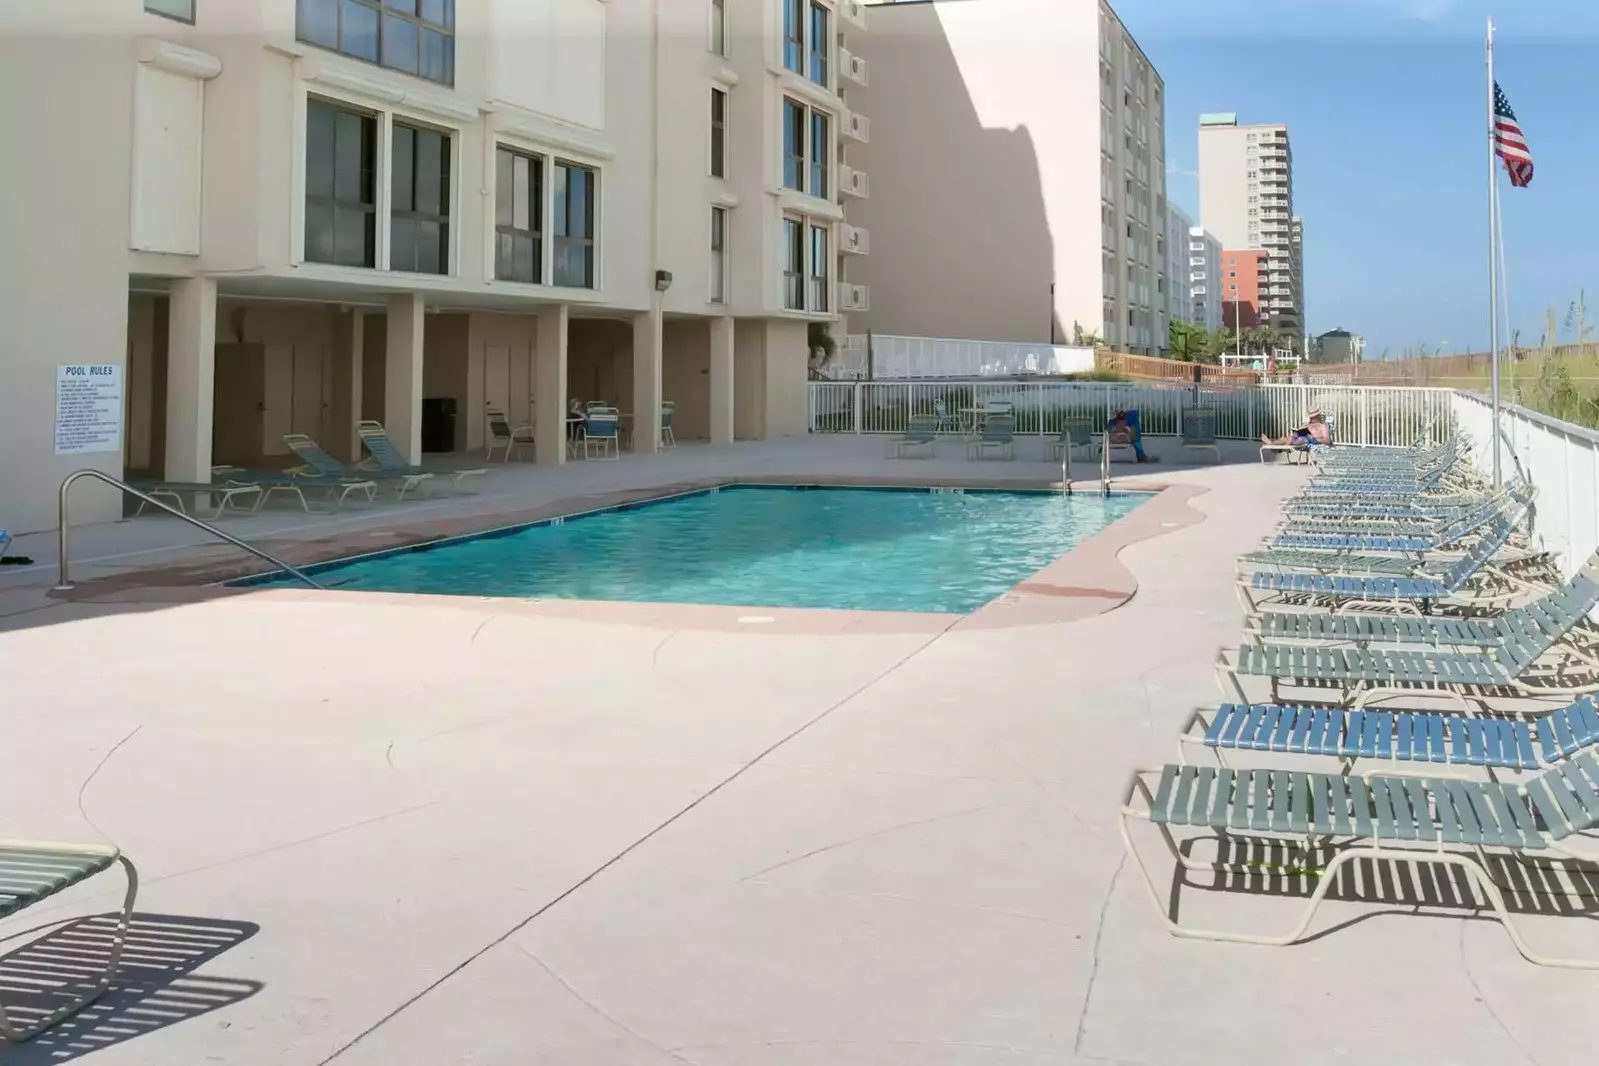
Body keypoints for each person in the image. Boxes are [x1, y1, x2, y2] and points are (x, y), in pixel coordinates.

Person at [1261, 407, 1332, 448]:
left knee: (1300, 439)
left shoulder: (1323, 426)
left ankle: (1284, 446)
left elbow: (1327, 440)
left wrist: (1315, 439)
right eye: (1311, 417)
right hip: (1303, 433)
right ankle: (1272, 443)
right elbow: (1301, 431)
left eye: (1313, 417)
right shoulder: (1308, 424)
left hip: (1310, 439)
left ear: (1318, 416)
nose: (1311, 419)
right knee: (1286, 438)